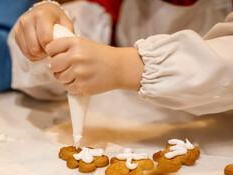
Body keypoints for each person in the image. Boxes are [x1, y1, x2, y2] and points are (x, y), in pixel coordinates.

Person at [13, 0, 233, 115]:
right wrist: (48, 32)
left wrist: (124, 67)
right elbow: (80, 32)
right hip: (128, 123)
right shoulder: (113, 5)